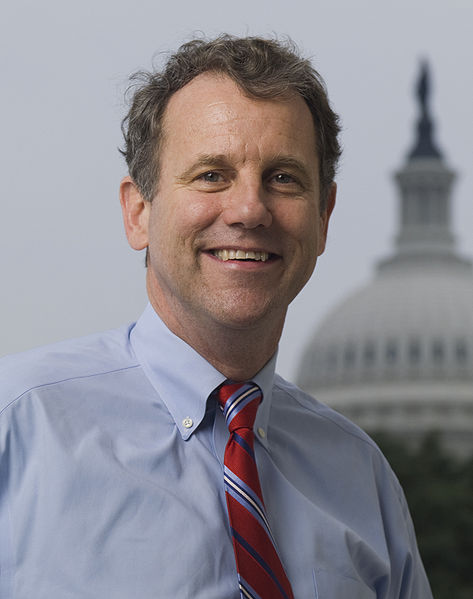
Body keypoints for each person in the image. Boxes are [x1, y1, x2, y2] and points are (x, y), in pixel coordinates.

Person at [0, 35, 432, 598]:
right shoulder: (18, 427)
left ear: (324, 217)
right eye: (210, 175)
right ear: (138, 212)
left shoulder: (361, 478)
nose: (250, 209)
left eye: (283, 177)